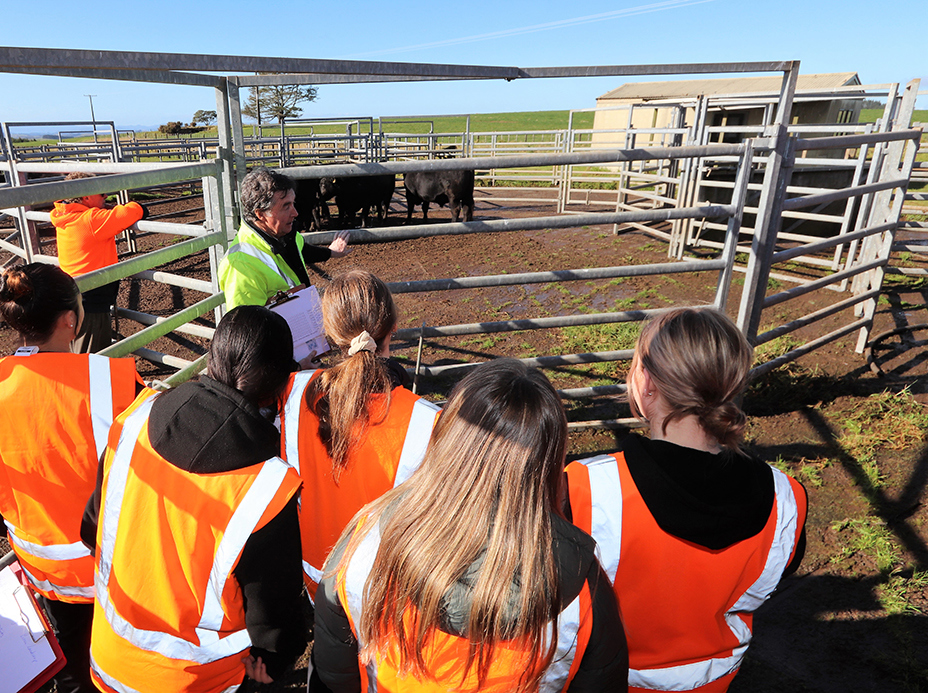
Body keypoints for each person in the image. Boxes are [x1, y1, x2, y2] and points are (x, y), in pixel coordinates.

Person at [314, 360, 628, 693]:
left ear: (448, 439)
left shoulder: (370, 537)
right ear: (548, 463)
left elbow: (336, 667)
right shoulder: (580, 584)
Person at [565, 307, 808, 693]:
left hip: (604, 680)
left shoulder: (583, 488)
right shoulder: (787, 499)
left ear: (646, 384)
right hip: (714, 682)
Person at [84, 305, 307, 693]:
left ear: (214, 357)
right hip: (200, 680)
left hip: (108, 659)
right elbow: (274, 620)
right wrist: (276, 658)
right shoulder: (267, 489)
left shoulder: (134, 419)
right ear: (279, 386)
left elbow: (91, 528)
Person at [0, 263, 143, 693]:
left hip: (44, 572)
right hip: (117, 568)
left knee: (73, 663)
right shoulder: (111, 383)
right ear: (71, 320)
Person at [279, 269, 439, 599]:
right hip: (386, 591)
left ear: (328, 333)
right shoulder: (428, 420)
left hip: (320, 581)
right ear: (393, 327)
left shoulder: (293, 395)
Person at [218, 167, 351, 311]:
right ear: (261, 214)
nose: (295, 213)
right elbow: (246, 326)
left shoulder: (284, 234)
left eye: (293, 203)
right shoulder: (240, 265)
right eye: (286, 206)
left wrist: (330, 252)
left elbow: (303, 251)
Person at [49, 171, 148, 353]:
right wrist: (137, 205)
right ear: (86, 196)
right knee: (92, 355)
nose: (105, 196)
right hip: (92, 301)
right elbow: (131, 212)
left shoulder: (63, 217)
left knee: (77, 348)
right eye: (100, 192)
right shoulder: (91, 220)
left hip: (72, 295)